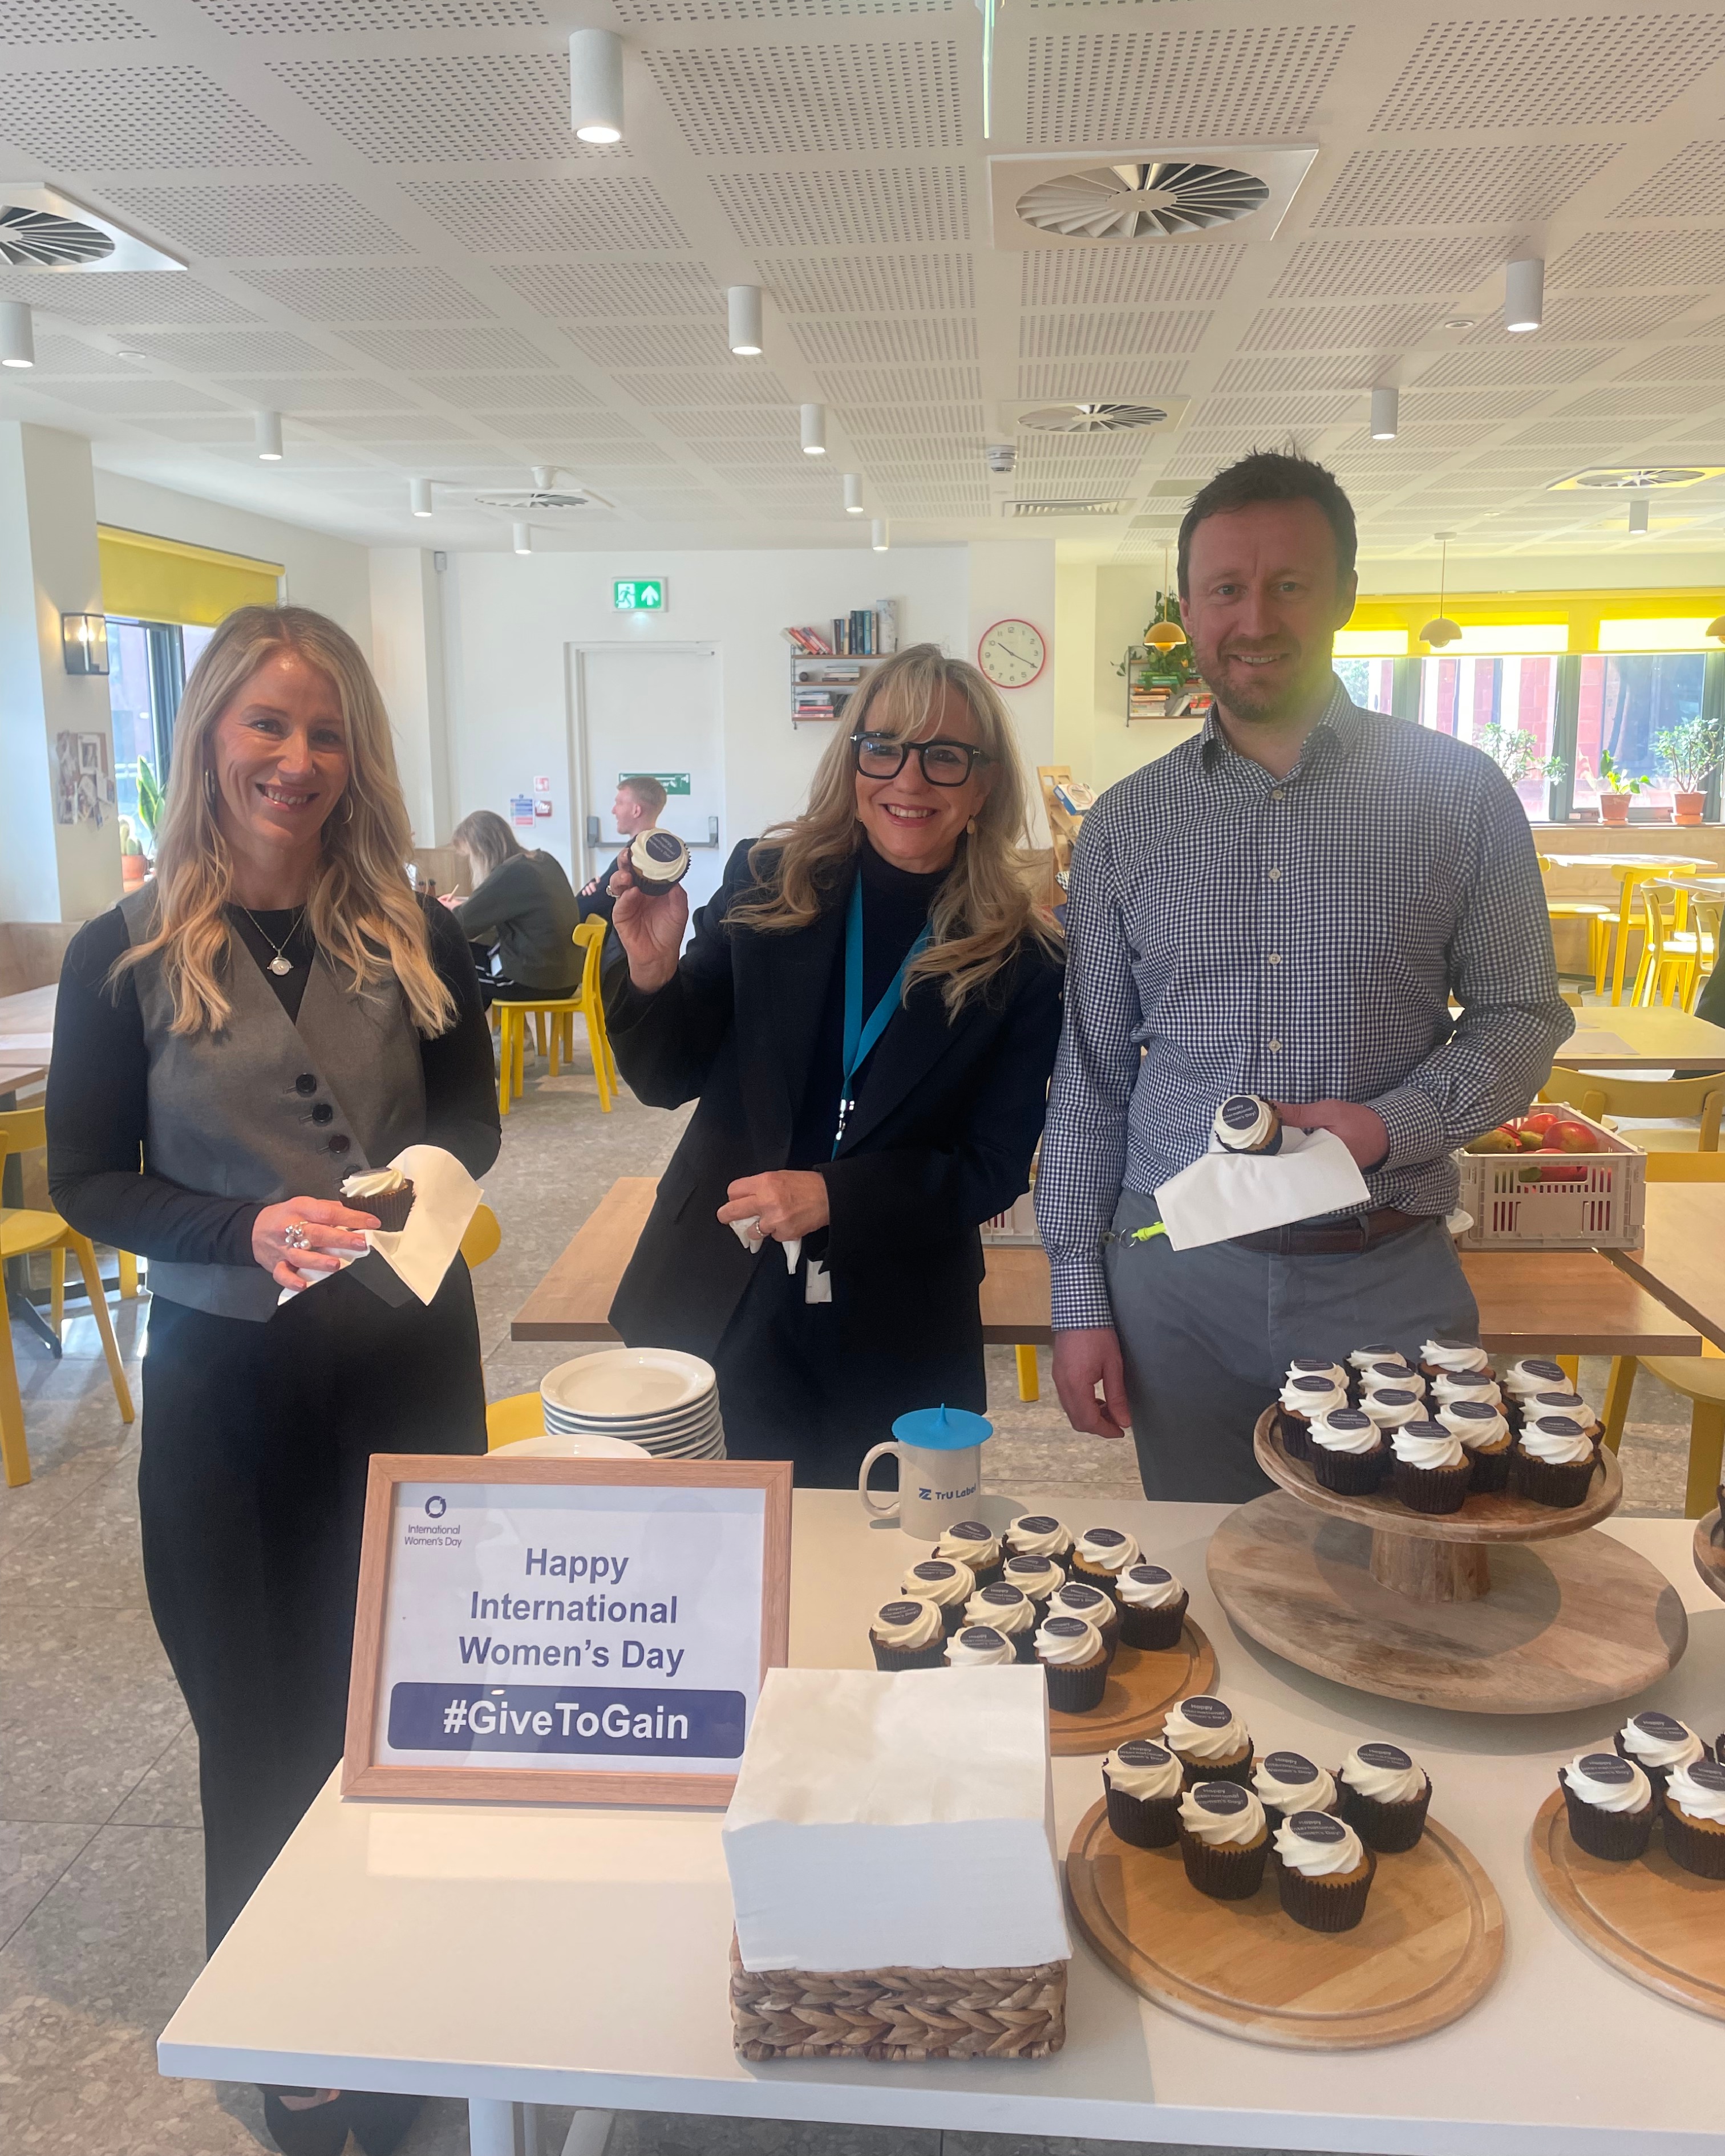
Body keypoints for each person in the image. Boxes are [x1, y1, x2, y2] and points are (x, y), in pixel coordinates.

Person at [47, 605, 500, 2156]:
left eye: (323, 733)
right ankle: (297, 2038)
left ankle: (414, 1996)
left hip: (409, 1370)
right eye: (265, 725)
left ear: (355, 753)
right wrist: (242, 1222)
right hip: (229, 1399)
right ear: (209, 737)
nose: (295, 760)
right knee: (256, 1713)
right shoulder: (125, 949)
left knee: (406, 1703)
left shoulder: (418, 930)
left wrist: (405, 1191)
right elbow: (90, 1177)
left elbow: (477, 1124)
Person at [1036, 452, 1574, 1505]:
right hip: (1173, 1274)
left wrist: (1386, 1126)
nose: (1255, 618)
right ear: (1185, 609)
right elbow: (1092, 1073)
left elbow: (1519, 1017)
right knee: (1198, 1574)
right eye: (1225, 589)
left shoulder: (1456, 795)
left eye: (1289, 583)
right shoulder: (1125, 828)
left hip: (1383, 1271)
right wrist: (1075, 1297)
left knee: (1400, 1582)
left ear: (1342, 597)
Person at [601, 645, 1064, 1485]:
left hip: (897, 1315)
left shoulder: (1023, 960)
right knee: (708, 1556)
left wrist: (836, 1196)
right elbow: (668, 1075)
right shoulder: (769, 881)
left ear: (985, 784)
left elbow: (994, 1167)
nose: (910, 781)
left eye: (946, 756)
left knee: (884, 1566)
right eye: (884, 747)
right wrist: (650, 968)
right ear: (853, 761)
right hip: (720, 1287)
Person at [448, 808, 582, 1001]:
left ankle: (479, 1031)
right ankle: (505, 1030)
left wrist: (446, 911)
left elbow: (460, 925)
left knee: (447, 965)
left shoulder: (511, 873)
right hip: (563, 976)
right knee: (467, 957)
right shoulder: (542, 860)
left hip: (538, 980)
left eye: (470, 857)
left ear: (481, 851)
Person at [578, 772, 667, 924]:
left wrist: (583, 895)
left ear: (636, 811)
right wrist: (596, 888)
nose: (614, 810)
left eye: (619, 803)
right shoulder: (658, 849)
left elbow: (589, 906)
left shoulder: (636, 855)